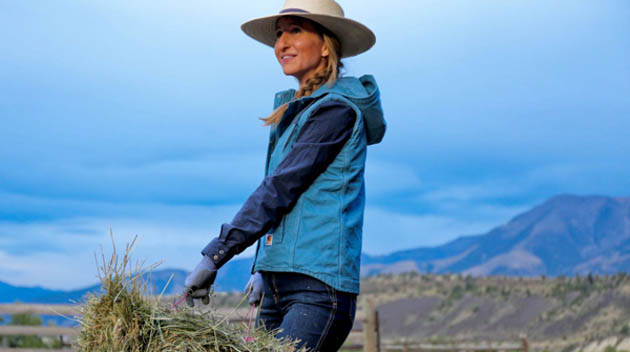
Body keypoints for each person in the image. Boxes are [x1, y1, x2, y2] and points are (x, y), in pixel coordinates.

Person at [184, 0, 385, 350]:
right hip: (279, 285)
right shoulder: (298, 113)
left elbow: (280, 189)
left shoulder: (335, 111)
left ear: (326, 46)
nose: (282, 43)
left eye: (295, 30)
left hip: (316, 291)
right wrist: (266, 264)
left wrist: (215, 254)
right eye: (279, 34)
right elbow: (290, 202)